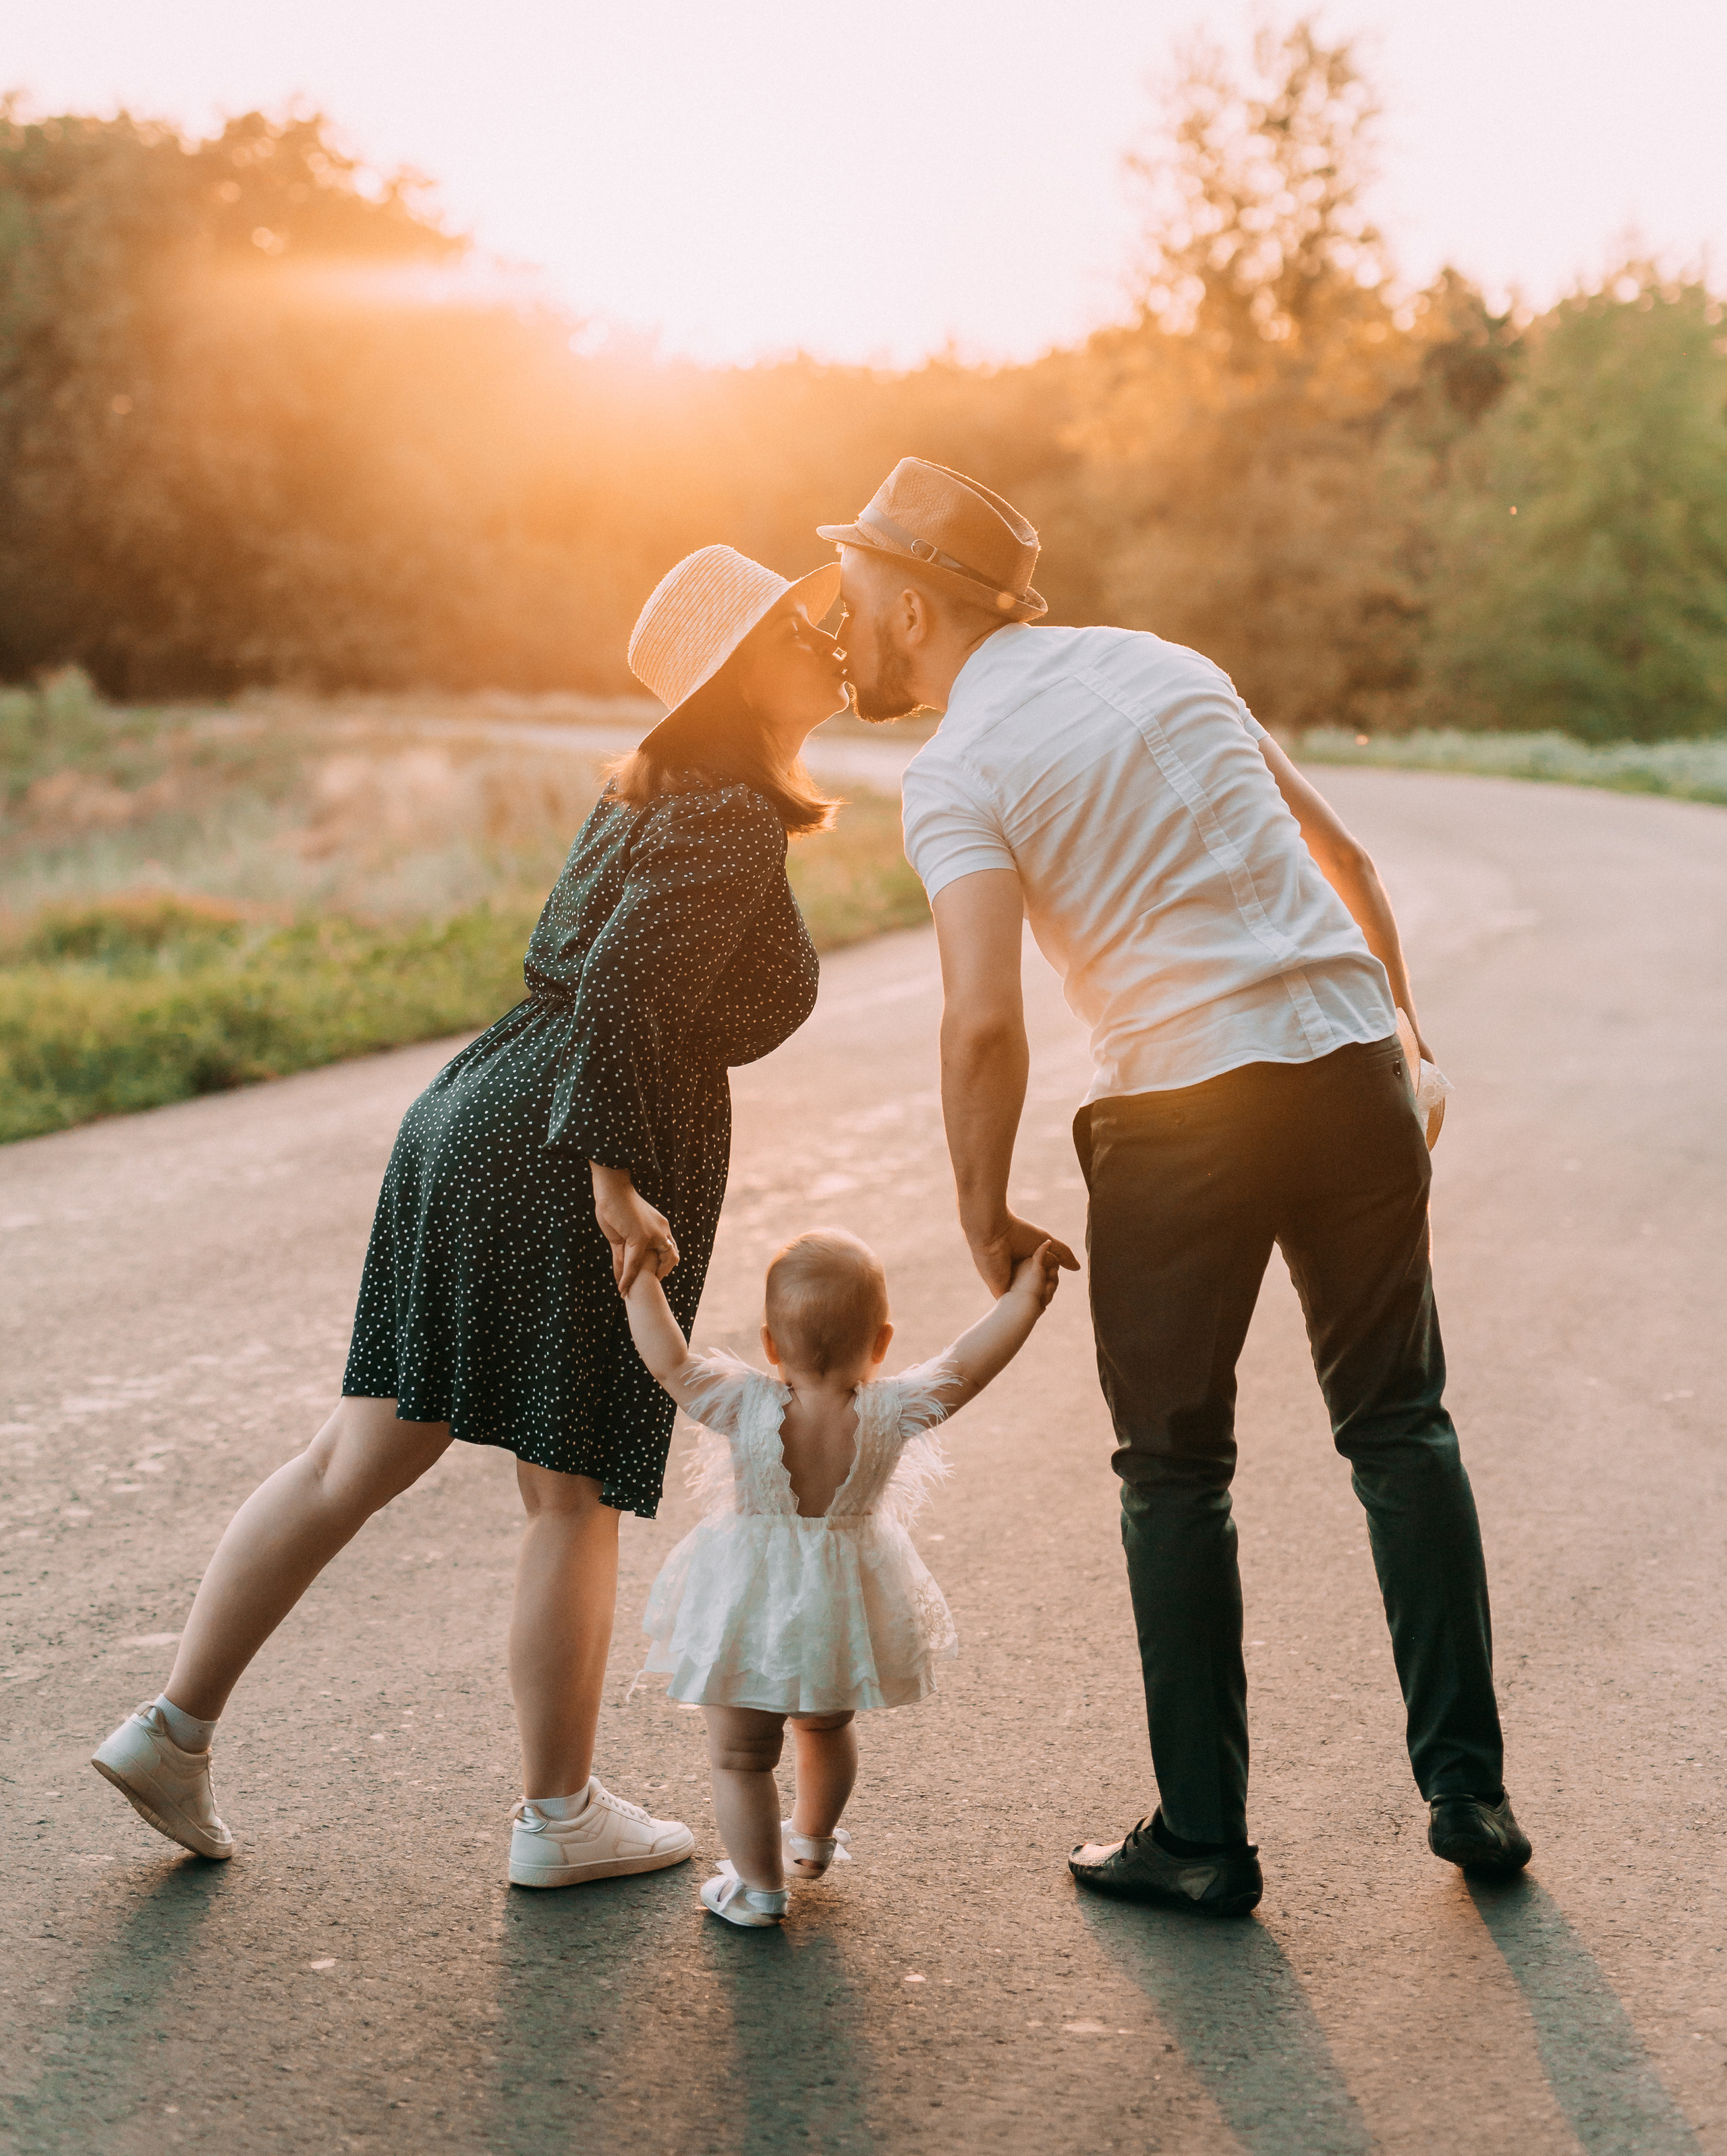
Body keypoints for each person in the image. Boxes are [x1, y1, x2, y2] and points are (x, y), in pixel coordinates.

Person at [819, 456, 1531, 1918]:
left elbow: (982, 1019)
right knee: (1401, 1425)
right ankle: (1470, 1788)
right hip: (1347, 1063)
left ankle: (1202, 1835)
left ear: (914, 611)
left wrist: (978, 1213)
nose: (839, 624)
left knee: (1174, 1471)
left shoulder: (956, 769)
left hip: (1181, 1101)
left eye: (853, 595)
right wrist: (1407, 1046)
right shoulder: (1164, 660)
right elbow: (1343, 857)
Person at [92, 545, 851, 1893]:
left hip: (476, 1111)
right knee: (572, 1490)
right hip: (564, 1137)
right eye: (798, 626)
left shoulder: (655, 792)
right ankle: (558, 1816)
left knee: (355, 1453)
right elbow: (624, 991)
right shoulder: (730, 816)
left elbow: (608, 979)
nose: (828, 638)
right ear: (741, 672)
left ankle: (172, 1729)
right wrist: (614, 1175)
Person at [619, 1223, 1061, 1925]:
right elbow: (968, 1366)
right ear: (881, 1342)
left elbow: (669, 1363)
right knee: (825, 1726)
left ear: (769, 1343)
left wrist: (641, 1280)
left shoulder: (741, 1401)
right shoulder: (892, 1409)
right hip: (840, 1605)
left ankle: (759, 1888)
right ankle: (812, 1838)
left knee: (741, 1756)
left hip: (750, 1606)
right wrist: (1024, 1299)